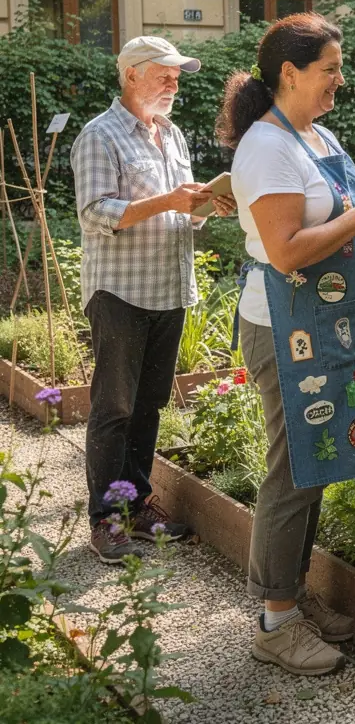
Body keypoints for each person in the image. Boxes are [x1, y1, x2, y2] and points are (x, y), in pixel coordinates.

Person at [218, 13, 355, 674]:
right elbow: (288, 248)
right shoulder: (266, 149)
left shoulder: (315, 136)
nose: (339, 81)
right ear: (290, 72)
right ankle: (275, 621)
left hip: (325, 332)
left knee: (313, 469)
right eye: (329, 70)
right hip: (286, 332)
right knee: (292, 475)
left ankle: (288, 601)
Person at [71, 37, 235, 564]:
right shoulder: (100, 135)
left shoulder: (172, 134)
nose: (173, 84)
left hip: (169, 289)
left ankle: (137, 504)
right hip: (120, 290)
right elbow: (95, 213)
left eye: (177, 76)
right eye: (163, 74)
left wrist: (209, 206)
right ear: (131, 75)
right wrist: (168, 200)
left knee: (150, 405)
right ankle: (104, 520)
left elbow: (181, 212)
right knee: (113, 407)